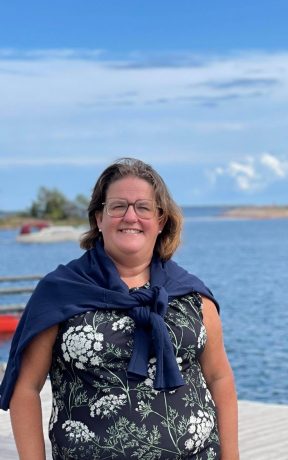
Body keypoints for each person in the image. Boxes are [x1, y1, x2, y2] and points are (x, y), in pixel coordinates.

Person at [0, 158, 239, 459]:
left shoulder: (190, 293)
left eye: (143, 207)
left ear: (161, 220)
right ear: (99, 218)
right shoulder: (61, 291)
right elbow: (25, 388)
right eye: (118, 206)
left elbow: (220, 378)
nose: (130, 216)